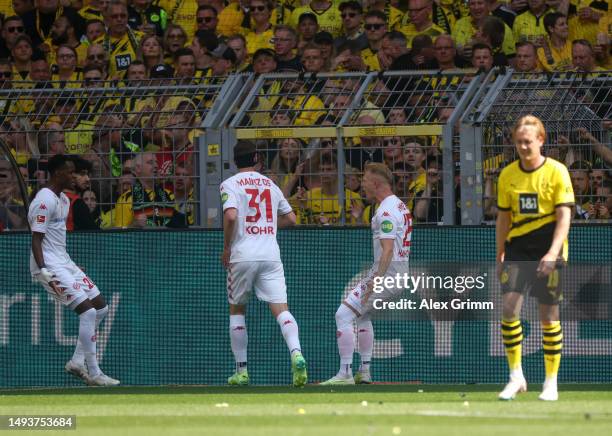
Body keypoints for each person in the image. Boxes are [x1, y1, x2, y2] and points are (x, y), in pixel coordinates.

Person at [496, 115, 574, 401]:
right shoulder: (507, 175)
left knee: (549, 316)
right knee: (508, 308)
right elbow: (503, 218)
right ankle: (516, 376)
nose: (523, 147)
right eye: (518, 142)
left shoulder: (557, 171)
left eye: (527, 141)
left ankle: (550, 382)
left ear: (541, 140)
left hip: (548, 247)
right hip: (518, 248)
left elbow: (564, 216)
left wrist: (553, 253)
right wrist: (500, 254)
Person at [220, 140, 307, 387]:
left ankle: (242, 371)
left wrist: (227, 246)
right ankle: (296, 353)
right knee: (282, 309)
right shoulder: (270, 184)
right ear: (257, 158)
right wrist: (267, 226)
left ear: (236, 161)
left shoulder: (229, 184)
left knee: (237, 310)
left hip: (243, 255)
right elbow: (291, 218)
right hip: (270, 254)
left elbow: (231, 215)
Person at [28, 154, 119, 386]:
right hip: (48, 266)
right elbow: (36, 239)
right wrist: (44, 269)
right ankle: (95, 372)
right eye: (71, 172)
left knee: (101, 307)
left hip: (64, 262)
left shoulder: (65, 200)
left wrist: (70, 265)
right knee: (87, 312)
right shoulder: (44, 200)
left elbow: (56, 239)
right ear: (58, 173)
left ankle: (77, 361)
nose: (75, 176)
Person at [321, 162, 412, 385]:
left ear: (376, 183)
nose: (361, 184)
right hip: (397, 272)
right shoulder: (399, 206)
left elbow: (388, 249)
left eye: (364, 180)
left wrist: (376, 281)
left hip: (388, 274)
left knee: (342, 315)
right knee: (362, 315)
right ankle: (365, 371)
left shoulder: (387, 210)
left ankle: (345, 373)